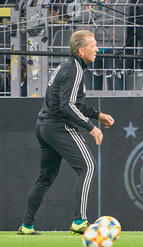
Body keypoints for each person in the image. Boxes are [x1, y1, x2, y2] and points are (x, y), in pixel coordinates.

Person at [17, 30, 115, 235]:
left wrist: (98, 115)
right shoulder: (75, 69)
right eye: (93, 45)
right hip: (57, 126)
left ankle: (27, 225)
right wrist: (91, 127)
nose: (97, 49)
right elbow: (67, 106)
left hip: (43, 126)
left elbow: (76, 103)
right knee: (87, 167)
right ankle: (80, 221)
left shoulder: (69, 66)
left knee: (45, 177)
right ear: (81, 50)